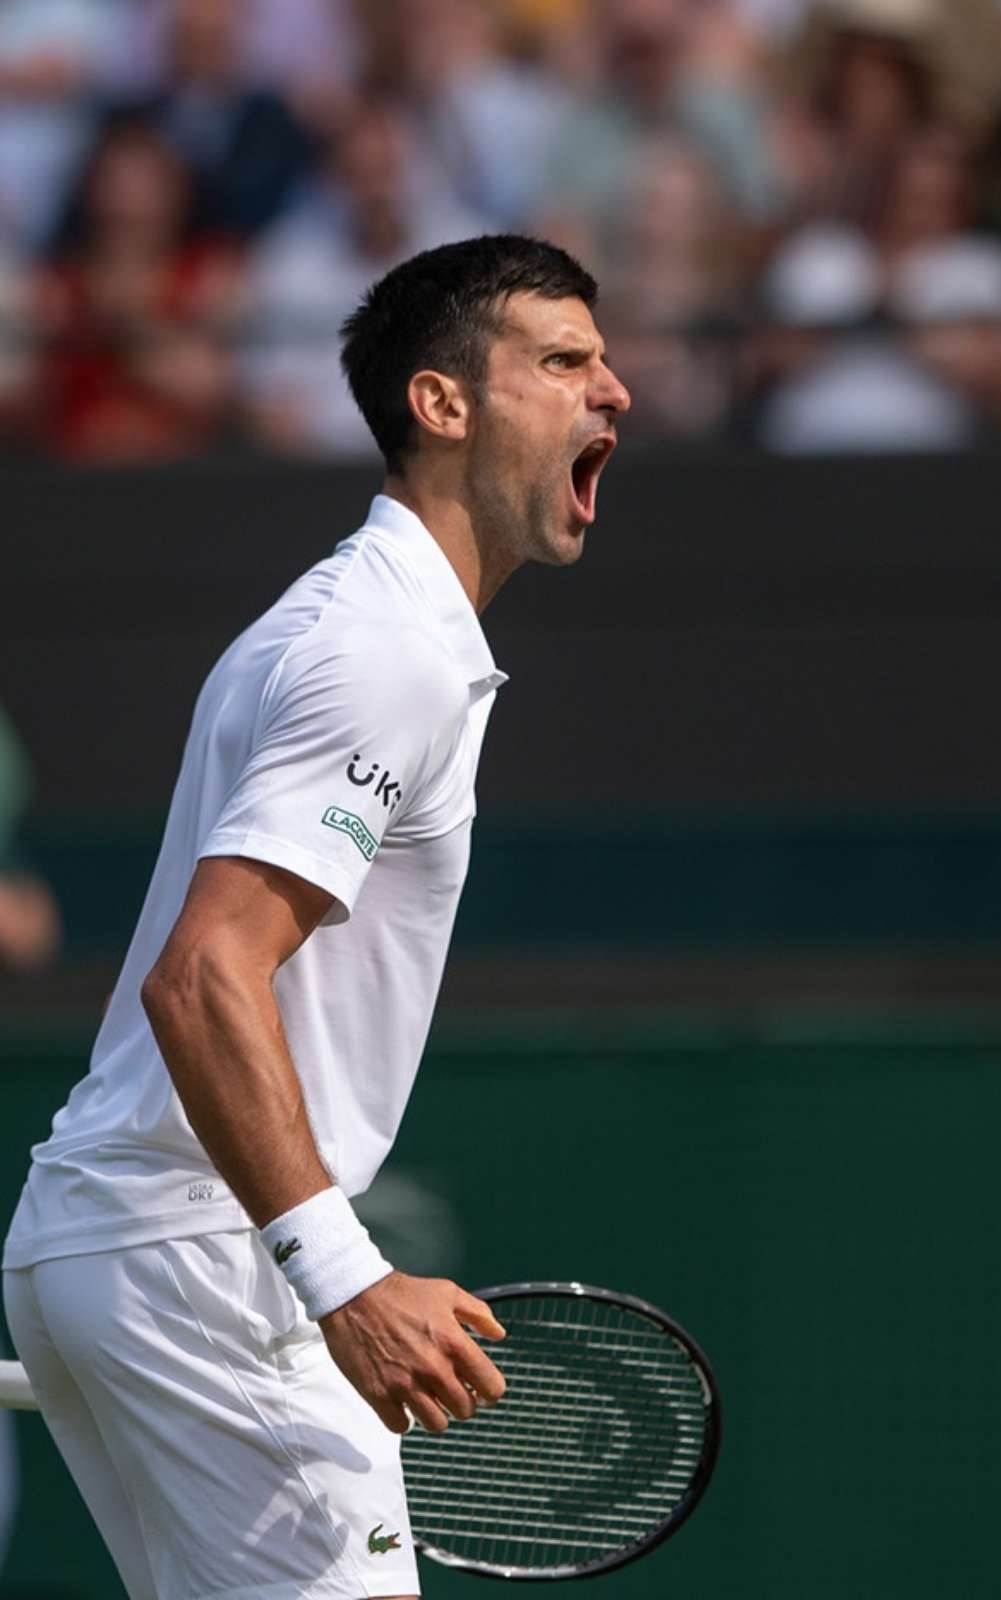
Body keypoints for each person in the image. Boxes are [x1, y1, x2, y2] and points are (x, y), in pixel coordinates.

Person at [2, 233, 631, 1600]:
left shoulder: (368, 627)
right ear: (444, 403)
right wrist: (342, 1275)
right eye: (565, 360)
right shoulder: (380, 646)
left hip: (132, 1245)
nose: (615, 390)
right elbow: (203, 973)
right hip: (203, 1267)